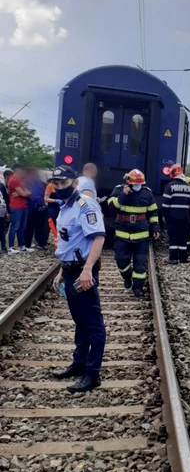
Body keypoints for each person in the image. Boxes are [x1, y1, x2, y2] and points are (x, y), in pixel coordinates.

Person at [50, 164, 106, 393]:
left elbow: (98, 238)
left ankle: (92, 374)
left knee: (93, 324)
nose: (59, 187)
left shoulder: (85, 204)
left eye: (63, 183)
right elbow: (70, 242)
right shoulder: (65, 206)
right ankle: (78, 364)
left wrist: (87, 270)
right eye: (56, 183)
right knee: (80, 321)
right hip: (71, 269)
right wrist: (62, 271)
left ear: (74, 183)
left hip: (83, 270)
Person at [108, 169, 160, 297]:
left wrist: (155, 227)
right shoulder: (119, 190)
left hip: (141, 234)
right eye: (135, 184)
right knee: (121, 260)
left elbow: (153, 212)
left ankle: (138, 288)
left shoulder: (147, 193)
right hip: (122, 233)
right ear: (128, 182)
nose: (137, 187)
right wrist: (124, 195)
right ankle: (127, 277)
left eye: (140, 184)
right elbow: (111, 206)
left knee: (140, 263)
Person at [162, 164, 190, 264]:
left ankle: (173, 258)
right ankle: (183, 258)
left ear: (173, 174)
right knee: (183, 237)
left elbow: (165, 204)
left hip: (172, 217)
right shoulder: (188, 187)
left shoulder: (169, 186)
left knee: (173, 237)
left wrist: (164, 216)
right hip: (184, 217)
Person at [7, 163, 32, 253]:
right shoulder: (13, 180)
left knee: (22, 227)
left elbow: (29, 192)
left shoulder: (21, 180)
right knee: (15, 227)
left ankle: (22, 246)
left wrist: (23, 193)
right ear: (17, 170)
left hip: (24, 206)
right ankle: (11, 247)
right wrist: (23, 193)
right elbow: (24, 193)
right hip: (16, 206)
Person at [24, 168, 48, 250]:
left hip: (38, 207)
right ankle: (28, 244)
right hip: (30, 207)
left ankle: (39, 243)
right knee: (30, 227)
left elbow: (42, 194)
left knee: (39, 227)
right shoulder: (26, 183)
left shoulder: (39, 183)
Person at [44, 179, 60, 248]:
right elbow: (46, 198)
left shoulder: (62, 186)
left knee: (59, 226)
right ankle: (44, 241)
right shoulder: (50, 186)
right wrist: (56, 200)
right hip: (52, 208)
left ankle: (60, 241)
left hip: (61, 208)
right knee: (51, 225)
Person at [0, 170, 10, 254]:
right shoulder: (2, 186)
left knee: (2, 230)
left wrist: (6, 212)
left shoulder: (1, 186)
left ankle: (3, 247)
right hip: (2, 209)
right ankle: (3, 248)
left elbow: (5, 200)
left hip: (2, 210)